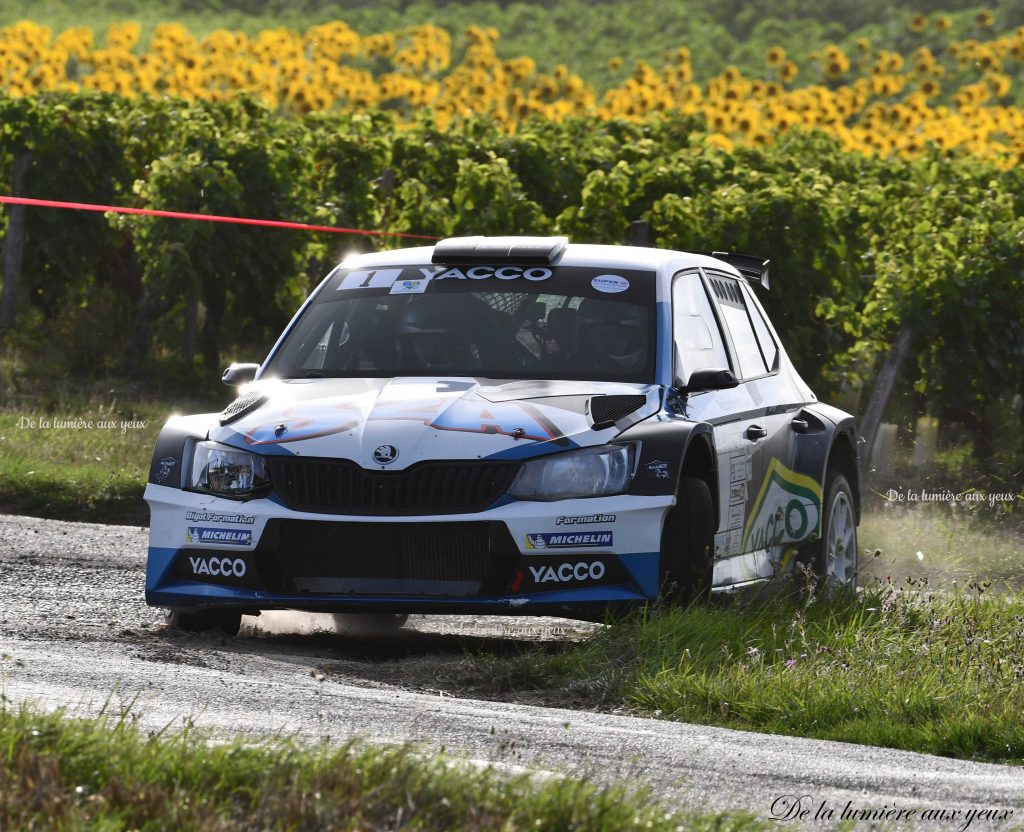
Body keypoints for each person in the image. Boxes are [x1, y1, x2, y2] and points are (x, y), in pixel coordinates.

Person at [395, 297, 485, 373]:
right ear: (409, 345)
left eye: (444, 341)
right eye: (425, 341)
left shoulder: (480, 373)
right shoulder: (390, 374)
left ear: (457, 343)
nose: (433, 348)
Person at [573, 298, 647, 373]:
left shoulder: (644, 371)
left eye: (618, 335)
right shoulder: (570, 369)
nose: (609, 340)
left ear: (632, 339)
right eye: (603, 334)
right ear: (589, 336)